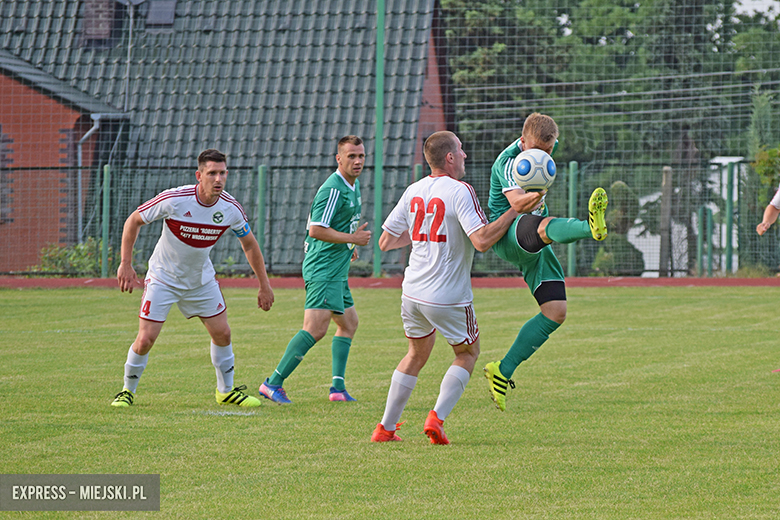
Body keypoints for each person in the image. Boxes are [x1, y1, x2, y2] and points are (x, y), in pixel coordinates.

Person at [371, 131, 519, 444]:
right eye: (461, 150)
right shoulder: (460, 190)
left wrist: (422, 231)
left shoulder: (414, 189)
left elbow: (385, 242)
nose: (465, 155)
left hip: (412, 293)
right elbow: (481, 241)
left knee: (415, 354)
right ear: (449, 158)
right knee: (467, 353)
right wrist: (514, 210)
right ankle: (436, 419)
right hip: (448, 296)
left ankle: (385, 429)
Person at [111, 149, 275, 408]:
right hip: (163, 278)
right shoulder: (175, 200)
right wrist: (125, 263)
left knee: (223, 334)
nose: (218, 179)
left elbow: (250, 245)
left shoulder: (230, 208)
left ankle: (226, 392)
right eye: (212, 173)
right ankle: (126, 391)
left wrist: (264, 285)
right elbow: (133, 221)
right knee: (145, 340)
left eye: (222, 173)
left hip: (200, 281)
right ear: (199, 175)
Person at [482, 113, 609, 412]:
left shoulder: (541, 157)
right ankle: (587, 227)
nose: (541, 155)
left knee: (555, 312)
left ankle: (502, 370)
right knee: (541, 225)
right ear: (523, 140)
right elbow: (516, 204)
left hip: (535, 241)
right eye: (536, 148)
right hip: (508, 234)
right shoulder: (508, 161)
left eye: (548, 151)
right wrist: (538, 192)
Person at [258, 135, 371, 404]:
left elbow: (335, 225)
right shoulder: (333, 188)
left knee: (349, 323)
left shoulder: (353, 186)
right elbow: (316, 229)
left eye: (361, 156)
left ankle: (337, 389)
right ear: (338, 158)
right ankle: (272, 383)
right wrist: (352, 239)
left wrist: (348, 245)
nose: (357, 161)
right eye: (351, 156)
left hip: (337, 268)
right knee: (315, 328)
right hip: (323, 268)